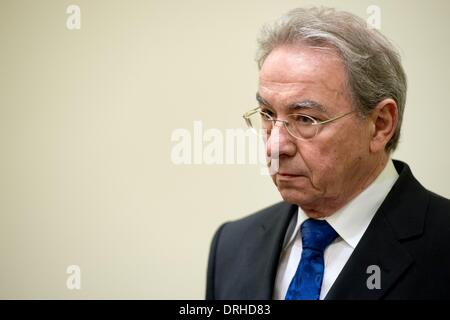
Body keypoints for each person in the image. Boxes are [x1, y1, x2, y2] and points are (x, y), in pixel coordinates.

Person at [205, 7, 450, 300]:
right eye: (268, 114)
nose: (274, 146)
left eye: (305, 119)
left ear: (380, 125)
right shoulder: (232, 245)